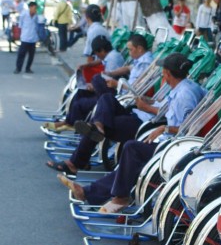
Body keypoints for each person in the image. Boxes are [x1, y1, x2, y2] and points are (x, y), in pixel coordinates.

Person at [57, 53, 207, 213]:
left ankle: (116, 196)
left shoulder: (185, 94)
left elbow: (189, 127)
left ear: (168, 73)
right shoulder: (181, 88)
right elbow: (167, 108)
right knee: (106, 98)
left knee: (131, 149)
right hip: (160, 133)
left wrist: (163, 126)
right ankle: (98, 128)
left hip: (172, 146)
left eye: (164, 71)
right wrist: (147, 101)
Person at [47, 34, 154, 173]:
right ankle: (98, 125)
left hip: (141, 117)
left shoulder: (147, 64)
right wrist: (110, 73)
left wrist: (117, 84)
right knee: (104, 97)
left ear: (139, 49)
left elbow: (139, 92)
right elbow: (128, 69)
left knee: (95, 123)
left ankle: (76, 161)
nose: (129, 52)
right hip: (132, 106)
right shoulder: (141, 61)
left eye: (130, 49)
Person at [45, 35, 125, 132]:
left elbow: (109, 82)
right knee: (80, 92)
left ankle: (71, 123)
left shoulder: (113, 59)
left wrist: (94, 86)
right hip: (105, 88)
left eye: (97, 53)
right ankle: (69, 121)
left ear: (102, 50)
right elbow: (101, 61)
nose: (97, 56)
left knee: (80, 103)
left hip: (109, 93)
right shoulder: (110, 56)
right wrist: (87, 65)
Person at [14, 1, 38, 74]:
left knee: (31, 55)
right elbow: (20, 24)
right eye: (34, 8)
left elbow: (38, 25)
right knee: (21, 54)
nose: (35, 10)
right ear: (30, 7)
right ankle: (18, 68)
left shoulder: (36, 16)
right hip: (25, 37)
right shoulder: (24, 14)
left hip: (33, 38)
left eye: (36, 8)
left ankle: (28, 68)